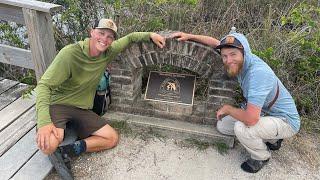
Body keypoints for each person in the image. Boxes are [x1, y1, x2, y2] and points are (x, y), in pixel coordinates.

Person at [35, 18, 165, 165]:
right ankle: (53, 129)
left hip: (82, 108)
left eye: (110, 36)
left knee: (111, 138)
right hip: (59, 104)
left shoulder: (108, 52)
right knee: (48, 146)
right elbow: (44, 85)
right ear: (92, 32)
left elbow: (130, 38)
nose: (104, 39)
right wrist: (44, 122)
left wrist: (150, 35)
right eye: (101, 33)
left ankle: (69, 150)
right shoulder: (70, 54)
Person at [171, 30, 300, 173]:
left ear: (244, 52)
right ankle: (272, 139)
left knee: (242, 128)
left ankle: (261, 156)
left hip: (284, 120)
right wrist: (190, 36)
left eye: (233, 55)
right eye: (225, 56)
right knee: (223, 126)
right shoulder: (242, 60)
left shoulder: (258, 74)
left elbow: (251, 119)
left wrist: (228, 109)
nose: (228, 60)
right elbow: (215, 43)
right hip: (262, 112)